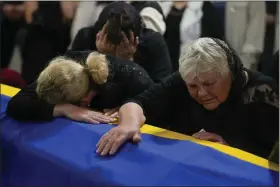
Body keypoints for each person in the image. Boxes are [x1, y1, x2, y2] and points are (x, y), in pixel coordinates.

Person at [96, 37, 279, 158]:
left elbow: (271, 159)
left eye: (209, 84)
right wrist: (129, 124)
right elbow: (138, 103)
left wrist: (228, 149)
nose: (201, 93)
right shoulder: (185, 79)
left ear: (231, 74)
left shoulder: (264, 93)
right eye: (193, 86)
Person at [6, 50, 154, 123]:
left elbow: (160, 110)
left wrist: (131, 106)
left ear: (83, 98)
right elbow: (15, 104)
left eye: (65, 101)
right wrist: (62, 108)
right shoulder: (63, 69)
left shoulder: (133, 78)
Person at [71, 2, 172, 83]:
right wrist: (102, 59)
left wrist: (127, 63)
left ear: (136, 39)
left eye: (124, 42)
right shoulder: (86, 37)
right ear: (98, 34)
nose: (117, 49)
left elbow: (160, 92)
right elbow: (72, 83)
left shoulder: (152, 42)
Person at [160, 1, 223, 72]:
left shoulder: (204, 6)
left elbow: (215, 39)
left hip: (196, 65)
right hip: (166, 65)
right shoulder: (161, 6)